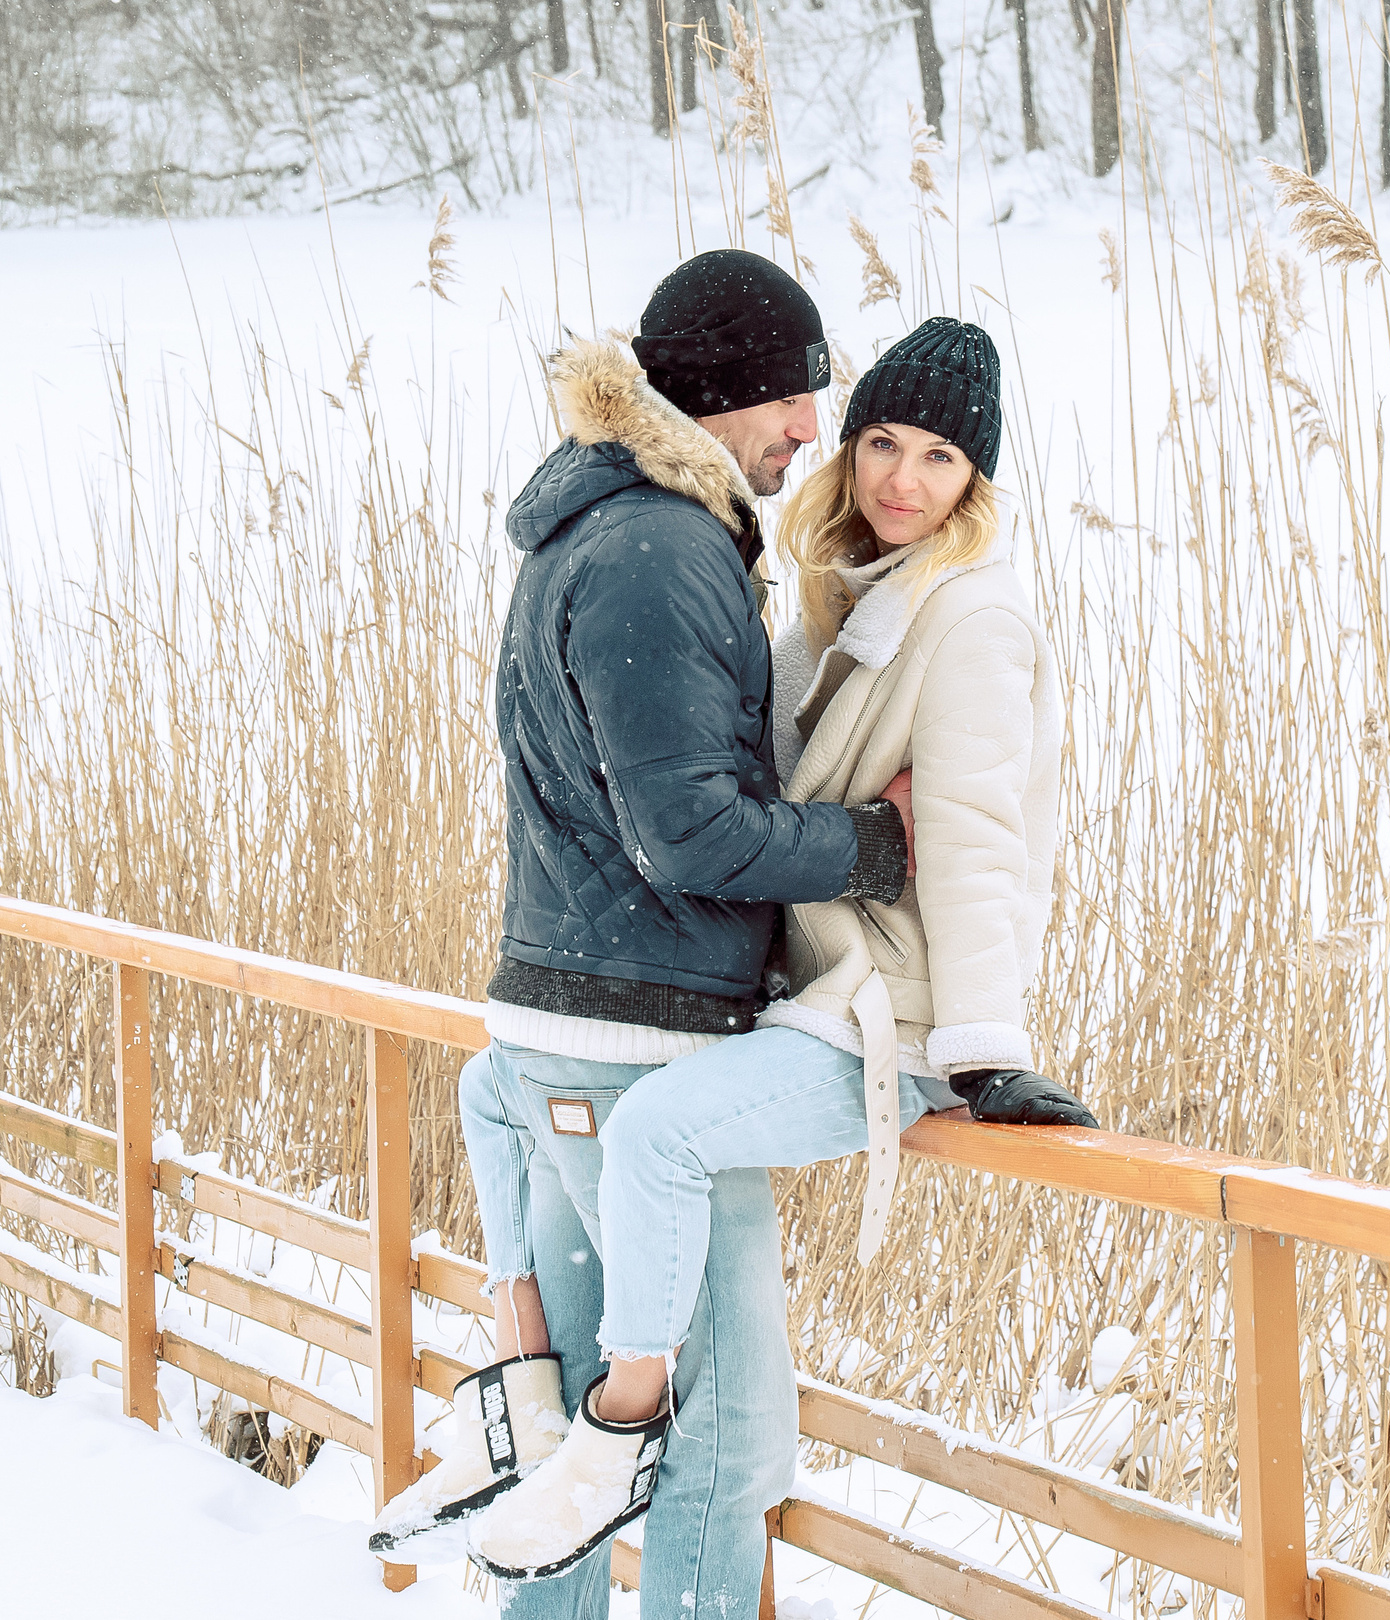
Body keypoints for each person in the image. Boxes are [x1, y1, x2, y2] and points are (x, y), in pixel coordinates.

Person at [464, 316, 1100, 1582]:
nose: (900, 480)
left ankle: (613, 1423)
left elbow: (970, 842)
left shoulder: (969, 621)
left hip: (895, 1016)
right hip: (805, 1005)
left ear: (977, 483)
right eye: (879, 443)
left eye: (938, 459)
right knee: (497, 1088)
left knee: (657, 1135)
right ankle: (527, 1372)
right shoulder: (824, 594)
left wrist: (984, 1049)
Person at [369, 250, 916, 1619]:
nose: (815, 433)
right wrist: (878, 846)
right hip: (643, 1047)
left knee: (565, 1451)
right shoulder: (663, 553)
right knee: (722, 1459)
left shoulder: (596, 532)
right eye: (799, 398)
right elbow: (695, 836)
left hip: (561, 1025)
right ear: (730, 391)